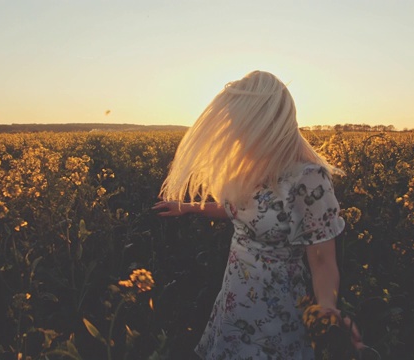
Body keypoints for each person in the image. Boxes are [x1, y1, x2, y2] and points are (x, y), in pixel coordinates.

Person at [153, 70, 364, 359]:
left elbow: (322, 260)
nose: (234, 134)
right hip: (234, 302)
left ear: (265, 123)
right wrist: (188, 207)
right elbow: (237, 212)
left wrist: (327, 310)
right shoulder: (253, 169)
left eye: (240, 124)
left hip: (275, 316)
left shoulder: (308, 178)